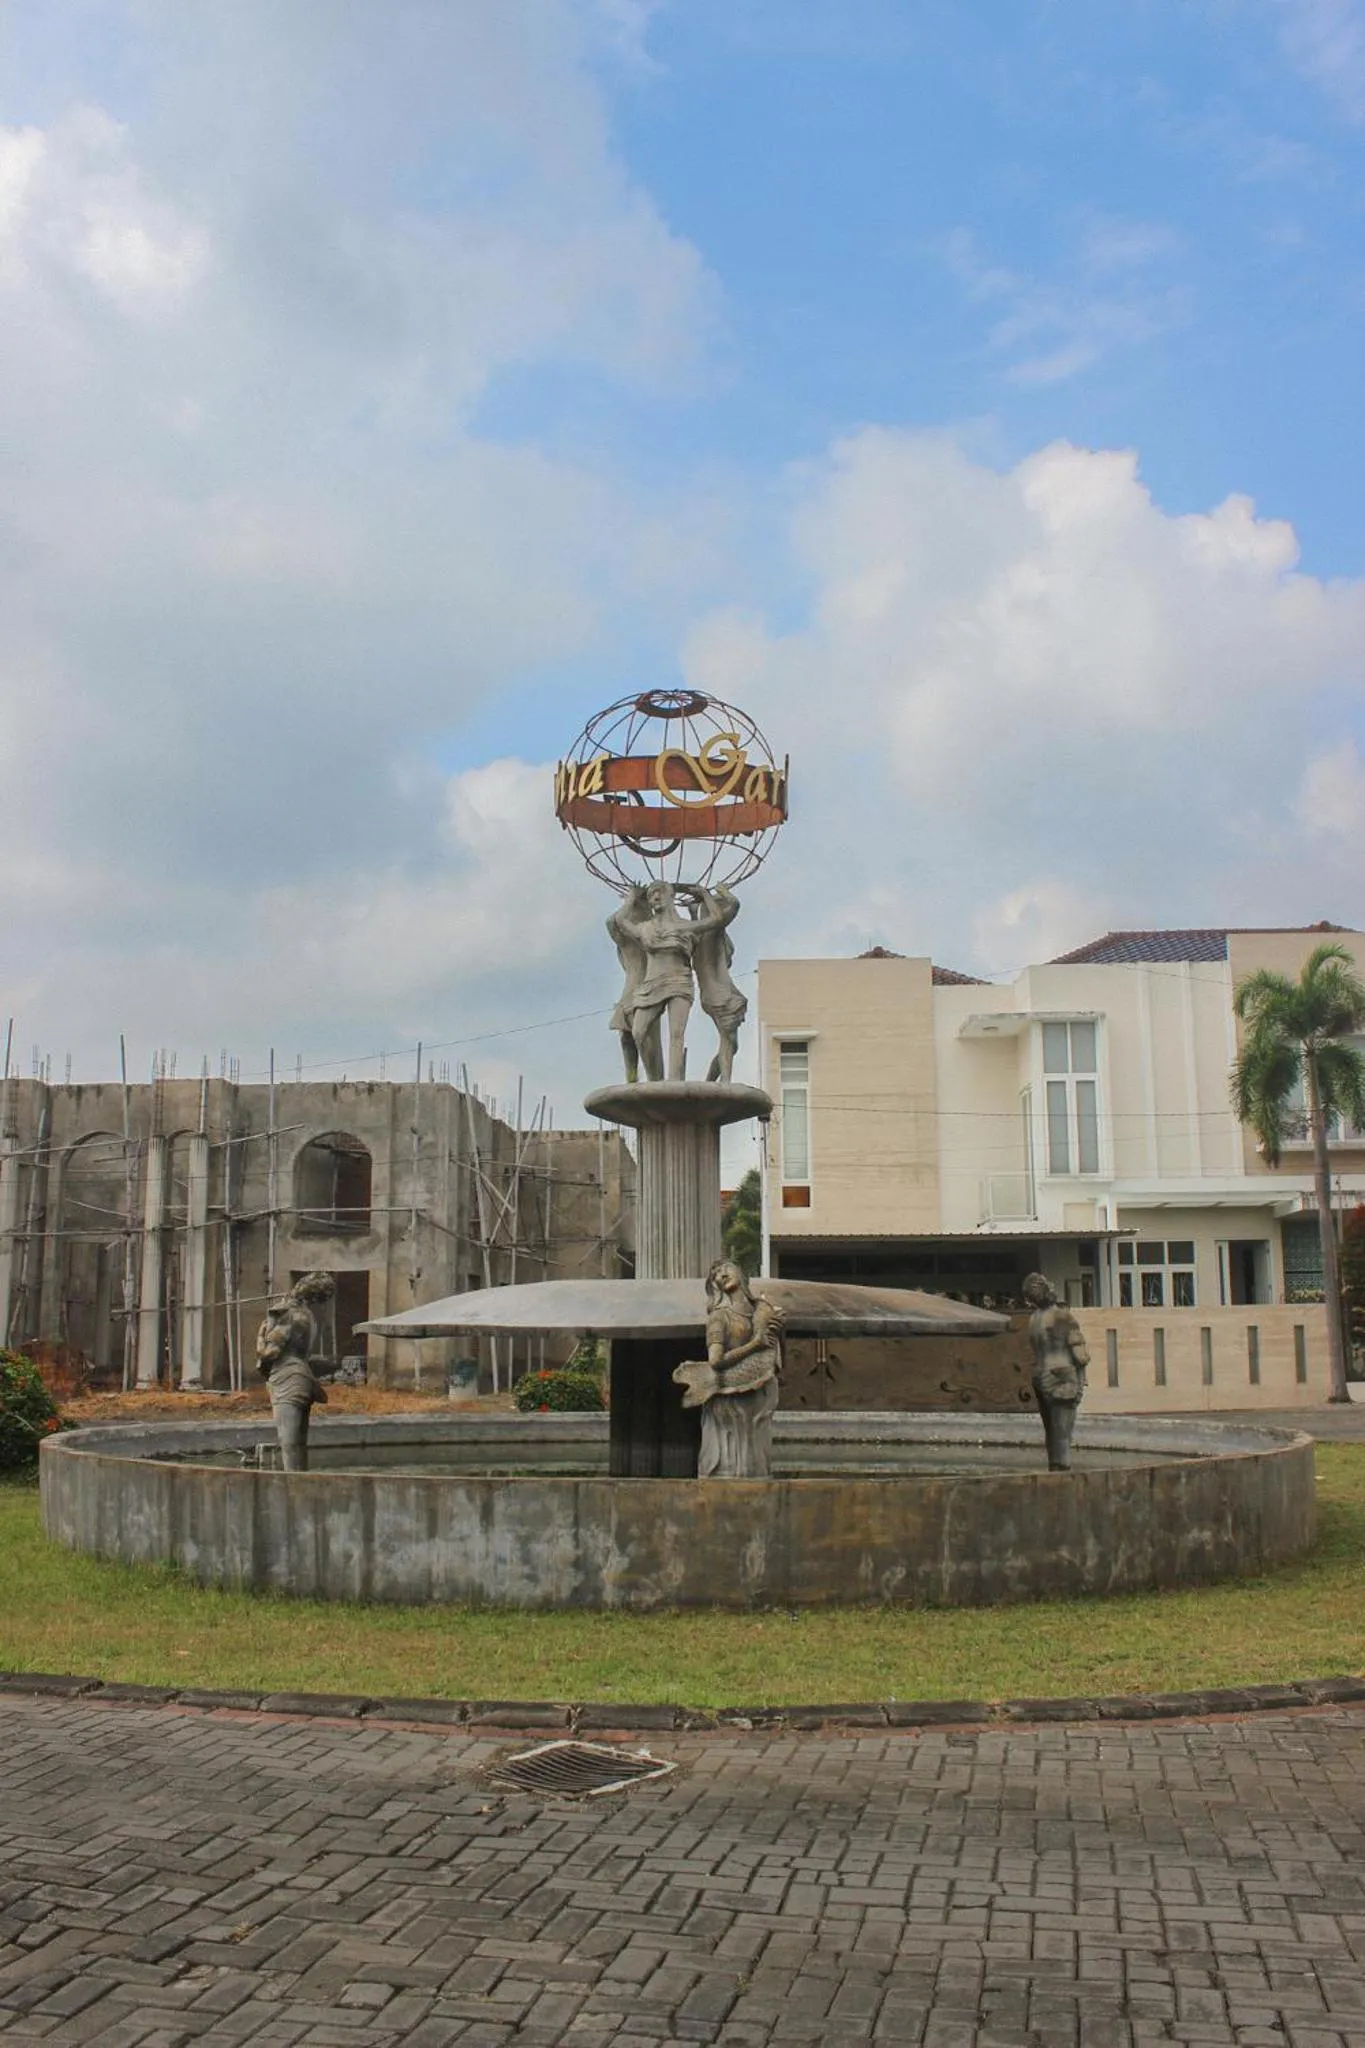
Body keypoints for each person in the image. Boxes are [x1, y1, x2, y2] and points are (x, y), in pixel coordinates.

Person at [673, 1258, 784, 1477]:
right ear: (715, 1285)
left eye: (726, 1268)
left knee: (756, 1459)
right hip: (727, 1397)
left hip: (759, 1394)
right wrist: (754, 1345)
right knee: (730, 1461)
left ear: (741, 1274)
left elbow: (775, 1359)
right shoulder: (719, 1317)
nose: (721, 1274)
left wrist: (778, 1334)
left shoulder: (761, 1310)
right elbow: (715, 1361)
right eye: (715, 1274)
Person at [607, 880, 727, 1082]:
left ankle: (673, 1082)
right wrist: (632, 896)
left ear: (670, 895)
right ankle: (654, 1080)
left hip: (679, 981)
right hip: (651, 985)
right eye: (651, 894)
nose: (655, 898)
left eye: (660, 892)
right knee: (638, 1032)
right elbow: (619, 920)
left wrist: (704, 894)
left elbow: (717, 919)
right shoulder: (645, 928)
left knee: (676, 1034)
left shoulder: (686, 926)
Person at [255, 1271, 335, 1472]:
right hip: (303, 1376)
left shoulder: (289, 1316)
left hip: (287, 1378)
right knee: (299, 1443)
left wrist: (260, 1334)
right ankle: (301, 1482)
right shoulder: (307, 1316)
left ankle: (292, 1487)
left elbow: (269, 1353)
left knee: (288, 1441)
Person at [1021, 1271, 1089, 1471]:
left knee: (1050, 1431)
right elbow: (1079, 1352)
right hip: (1062, 1375)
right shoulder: (1061, 1315)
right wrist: (1081, 1381)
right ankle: (1063, 1476)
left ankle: (1053, 1471)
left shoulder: (1033, 1319)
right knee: (1062, 1433)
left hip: (1040, 1375)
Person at [683, 884, 746, 1083]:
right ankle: (725, 1082)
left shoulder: (702, 935)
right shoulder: (713, 930)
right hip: (720, 994)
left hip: (717, 993)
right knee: (728, 1041)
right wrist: (719, 892)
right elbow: (735, 904)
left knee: (732, 1044)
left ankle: (711, 1081)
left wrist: (694, 912)